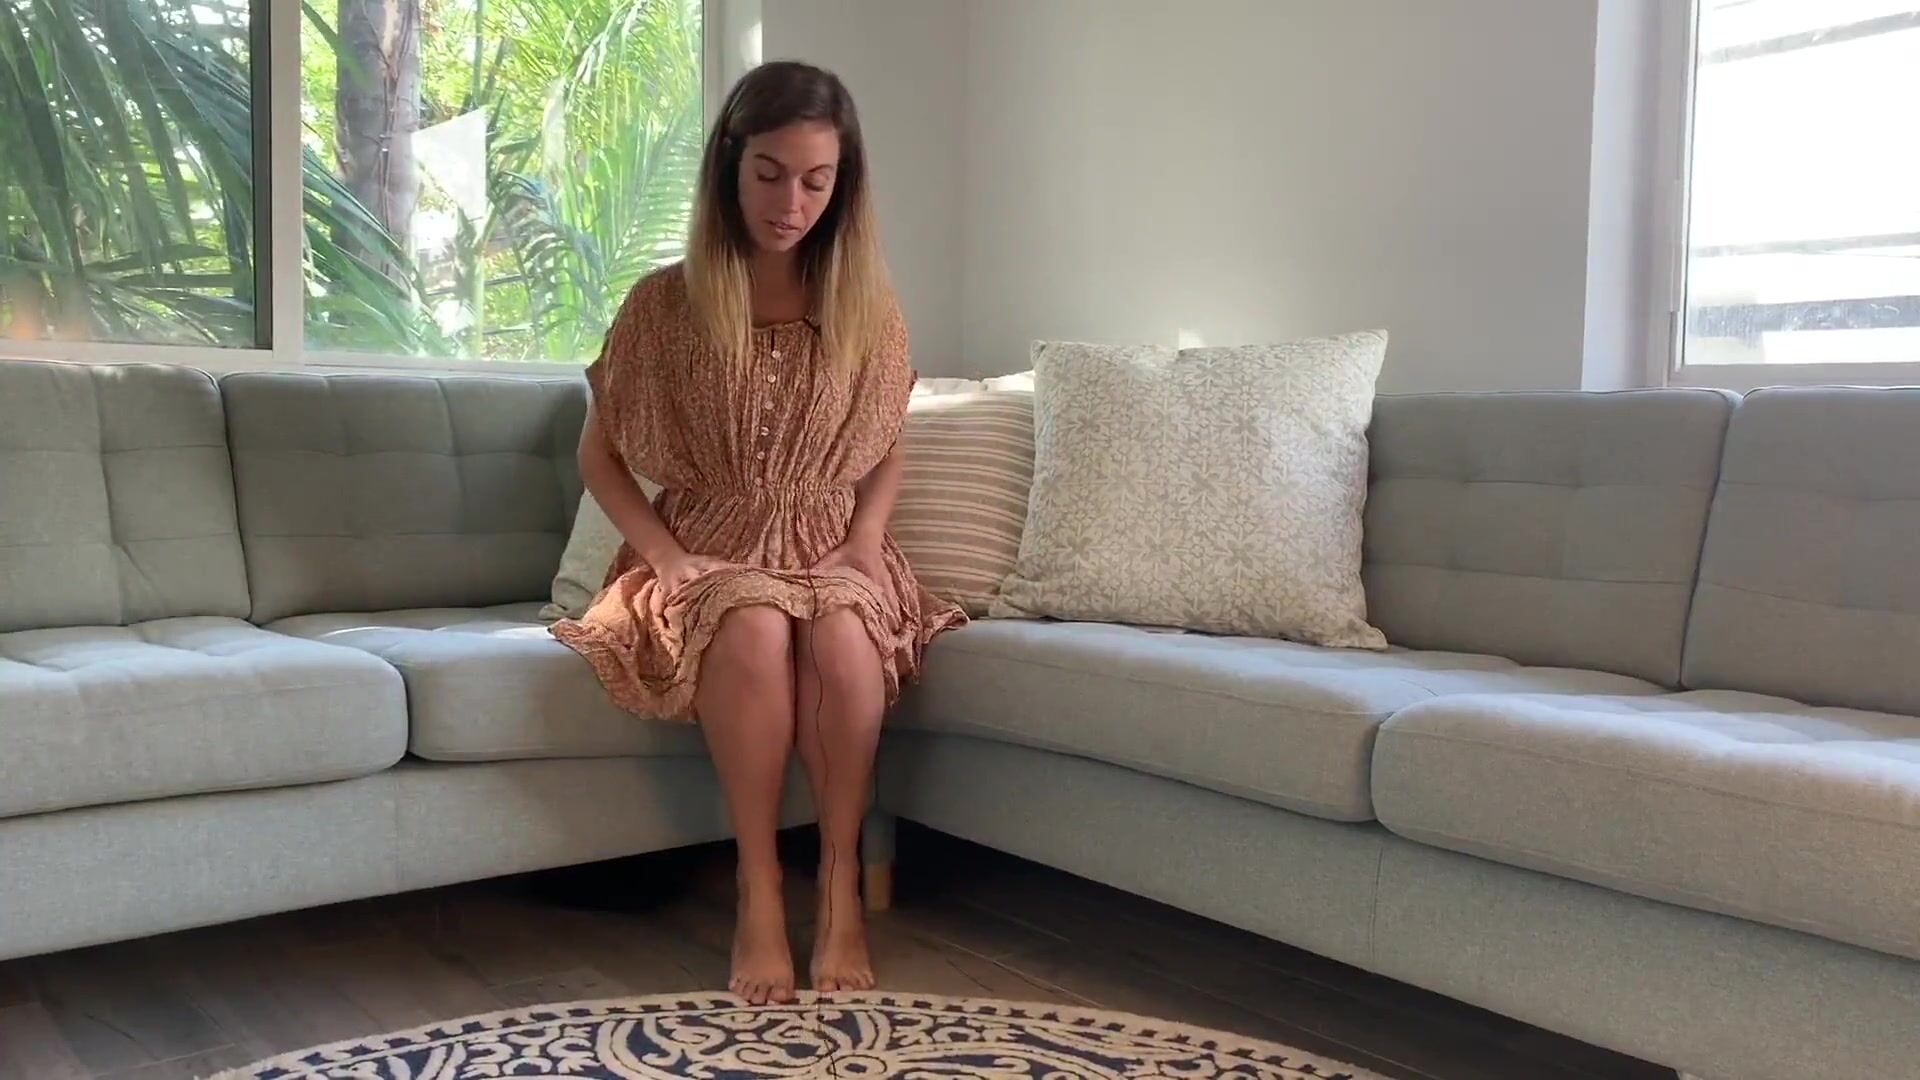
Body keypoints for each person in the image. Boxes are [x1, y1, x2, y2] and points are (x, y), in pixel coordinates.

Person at [550, 61, 966, 1005]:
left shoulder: (866, 304)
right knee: (750, 623)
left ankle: (841, 883)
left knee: (845, 641)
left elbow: (886, 441)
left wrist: (866, 540)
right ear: (730, 168)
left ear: (842, 184)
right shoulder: (665, 304)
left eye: (817, 181)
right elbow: (600, 456)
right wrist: (666, 559)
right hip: (709, 538)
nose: (791, 204)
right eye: (770, 174)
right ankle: (760, 888)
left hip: (831, 539)